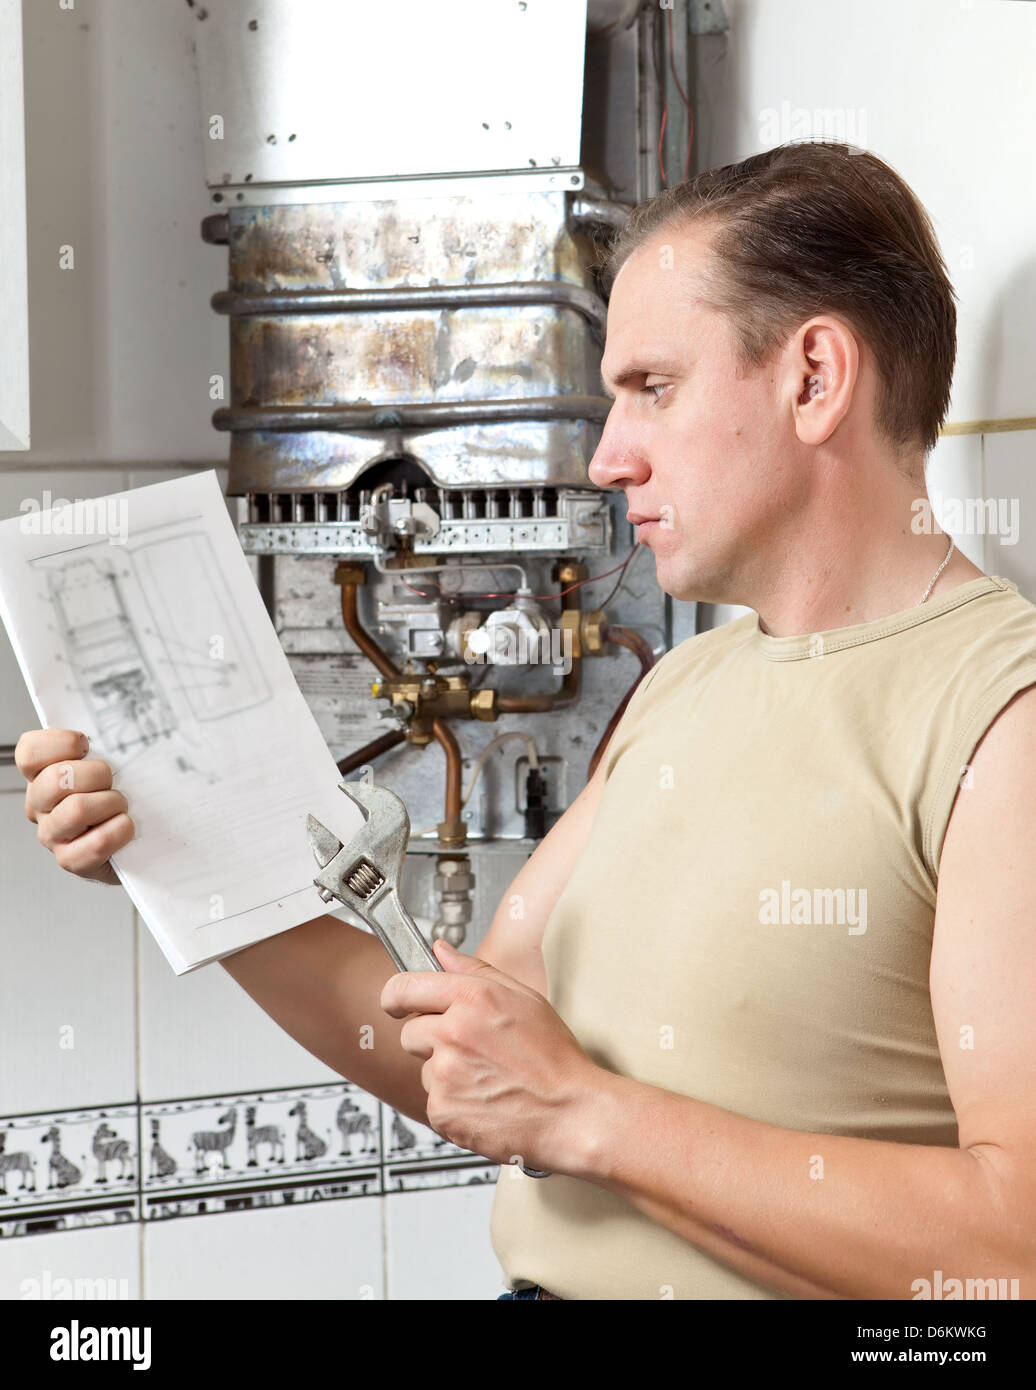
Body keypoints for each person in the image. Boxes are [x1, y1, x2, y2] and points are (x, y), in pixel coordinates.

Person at [16, 141, 1036, 1301]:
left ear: (812, 378)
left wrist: (588, 1113)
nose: (607, 456)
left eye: (651, 387)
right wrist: (180, 849)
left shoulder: (1000, 719)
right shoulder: (685, 687)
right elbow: (467, 1047)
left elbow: (1014, 1245)